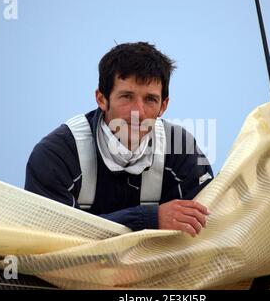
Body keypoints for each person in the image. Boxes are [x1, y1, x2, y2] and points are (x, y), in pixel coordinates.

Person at [25, 42, 213, 237]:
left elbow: (211, 231)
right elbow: (47, 239)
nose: (138, 113)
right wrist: (148, 218)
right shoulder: (57, 154)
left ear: (163, 106)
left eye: (150, 99)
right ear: (101, 99)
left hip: (156, 267)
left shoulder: (181, 148)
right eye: (126, 96)